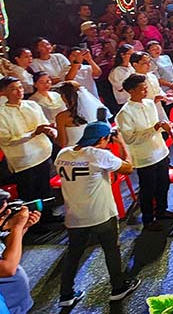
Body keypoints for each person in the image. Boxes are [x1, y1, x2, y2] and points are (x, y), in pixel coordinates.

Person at [54, 121, 140, 308]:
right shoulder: (99, 155)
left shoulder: (63, 154)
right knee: (111, 250)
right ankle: (118, 288)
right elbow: (128, 167)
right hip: (100, 213)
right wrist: (122, 144)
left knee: (74, 254)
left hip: (74, 215)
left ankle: (65, 294)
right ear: (102, 139)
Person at [116, 74, 173, 230]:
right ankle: (148, 219)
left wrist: (163, 126)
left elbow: (156, 125)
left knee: (163, 183)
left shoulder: (149, 103)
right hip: (145, 156)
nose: (146, 91)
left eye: (146, 88)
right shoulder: (124, 113)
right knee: (148, 189)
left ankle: (162, 210)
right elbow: (130, 138)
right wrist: (152, 129)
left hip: (160, 150)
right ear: (132, 91)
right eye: (142, 89)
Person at [0, 77, 59, 224]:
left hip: (42, 153)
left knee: (45, 188)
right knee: (30, 192)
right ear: (3, 93)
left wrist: (51, 131)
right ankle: (32, 223)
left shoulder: (32, 105)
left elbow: (45, 124)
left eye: (20, 87)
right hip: (23, 160)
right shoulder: (2, 113)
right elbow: (7, 139)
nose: (19, 91)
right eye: (13, 89)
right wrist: (33, 133)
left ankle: (48, 216)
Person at [0, 188, 43, 313]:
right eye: (3, 214)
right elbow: (7, 268)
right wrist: (17, 227)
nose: (7, 215)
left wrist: (22, 228)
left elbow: (8, 250)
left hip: (18, 305)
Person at [53, 82, 97, 148]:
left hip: (74, 152)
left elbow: (62, 143)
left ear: (64, 96)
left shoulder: (61, 117)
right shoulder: (93, 110)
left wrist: (53, 133)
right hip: (92, 148)